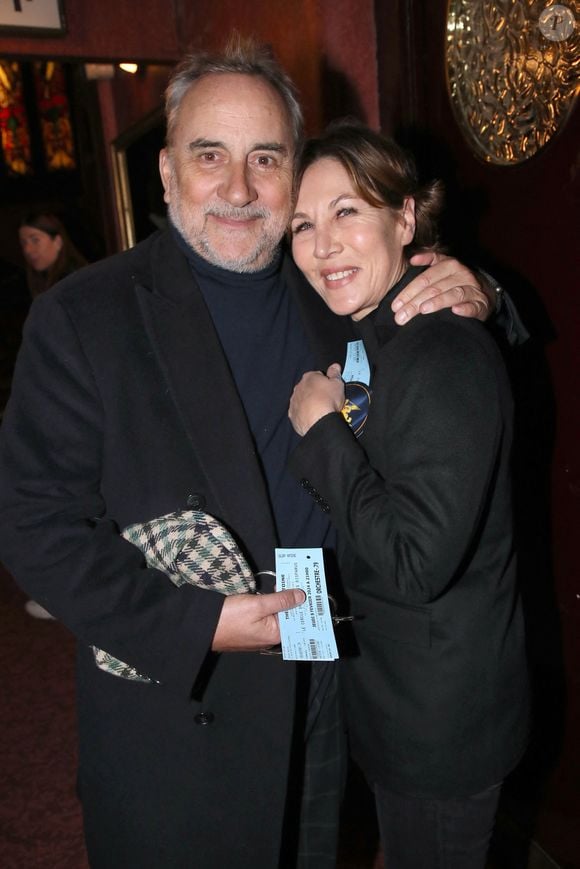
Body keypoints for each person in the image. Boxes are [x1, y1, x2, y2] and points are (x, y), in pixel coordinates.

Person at [0, 38, 521, 869]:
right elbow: (34, 529)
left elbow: (427, 336)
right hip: (179, 701)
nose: (239, 188)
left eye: (265, 158)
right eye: (211, 155)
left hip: (317, 680)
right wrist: (199, 623)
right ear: (167, 173)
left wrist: (485, 292)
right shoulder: (82, 317)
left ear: (291, 172)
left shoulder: (328, 290)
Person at [287, 120, 530, 869]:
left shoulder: (443, 347)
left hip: (440, 724)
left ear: (405, 218)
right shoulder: (367, 334)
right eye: (303, 223)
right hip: (384, 694)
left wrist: (323, 433)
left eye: (346, 211)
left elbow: (417, 562)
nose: (322, 242)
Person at [17, 212, 88, 619]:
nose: (29, 250)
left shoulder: (73, 286)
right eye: (24, 243)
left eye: (35, 240)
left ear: (59, 241)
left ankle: (67, 591)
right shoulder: (46, 286)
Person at [19, 212, 87, 299]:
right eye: (23, 243)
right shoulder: (41, 279)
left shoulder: (74, 280)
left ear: (57, 242)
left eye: (35, 240)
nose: (27, 250)